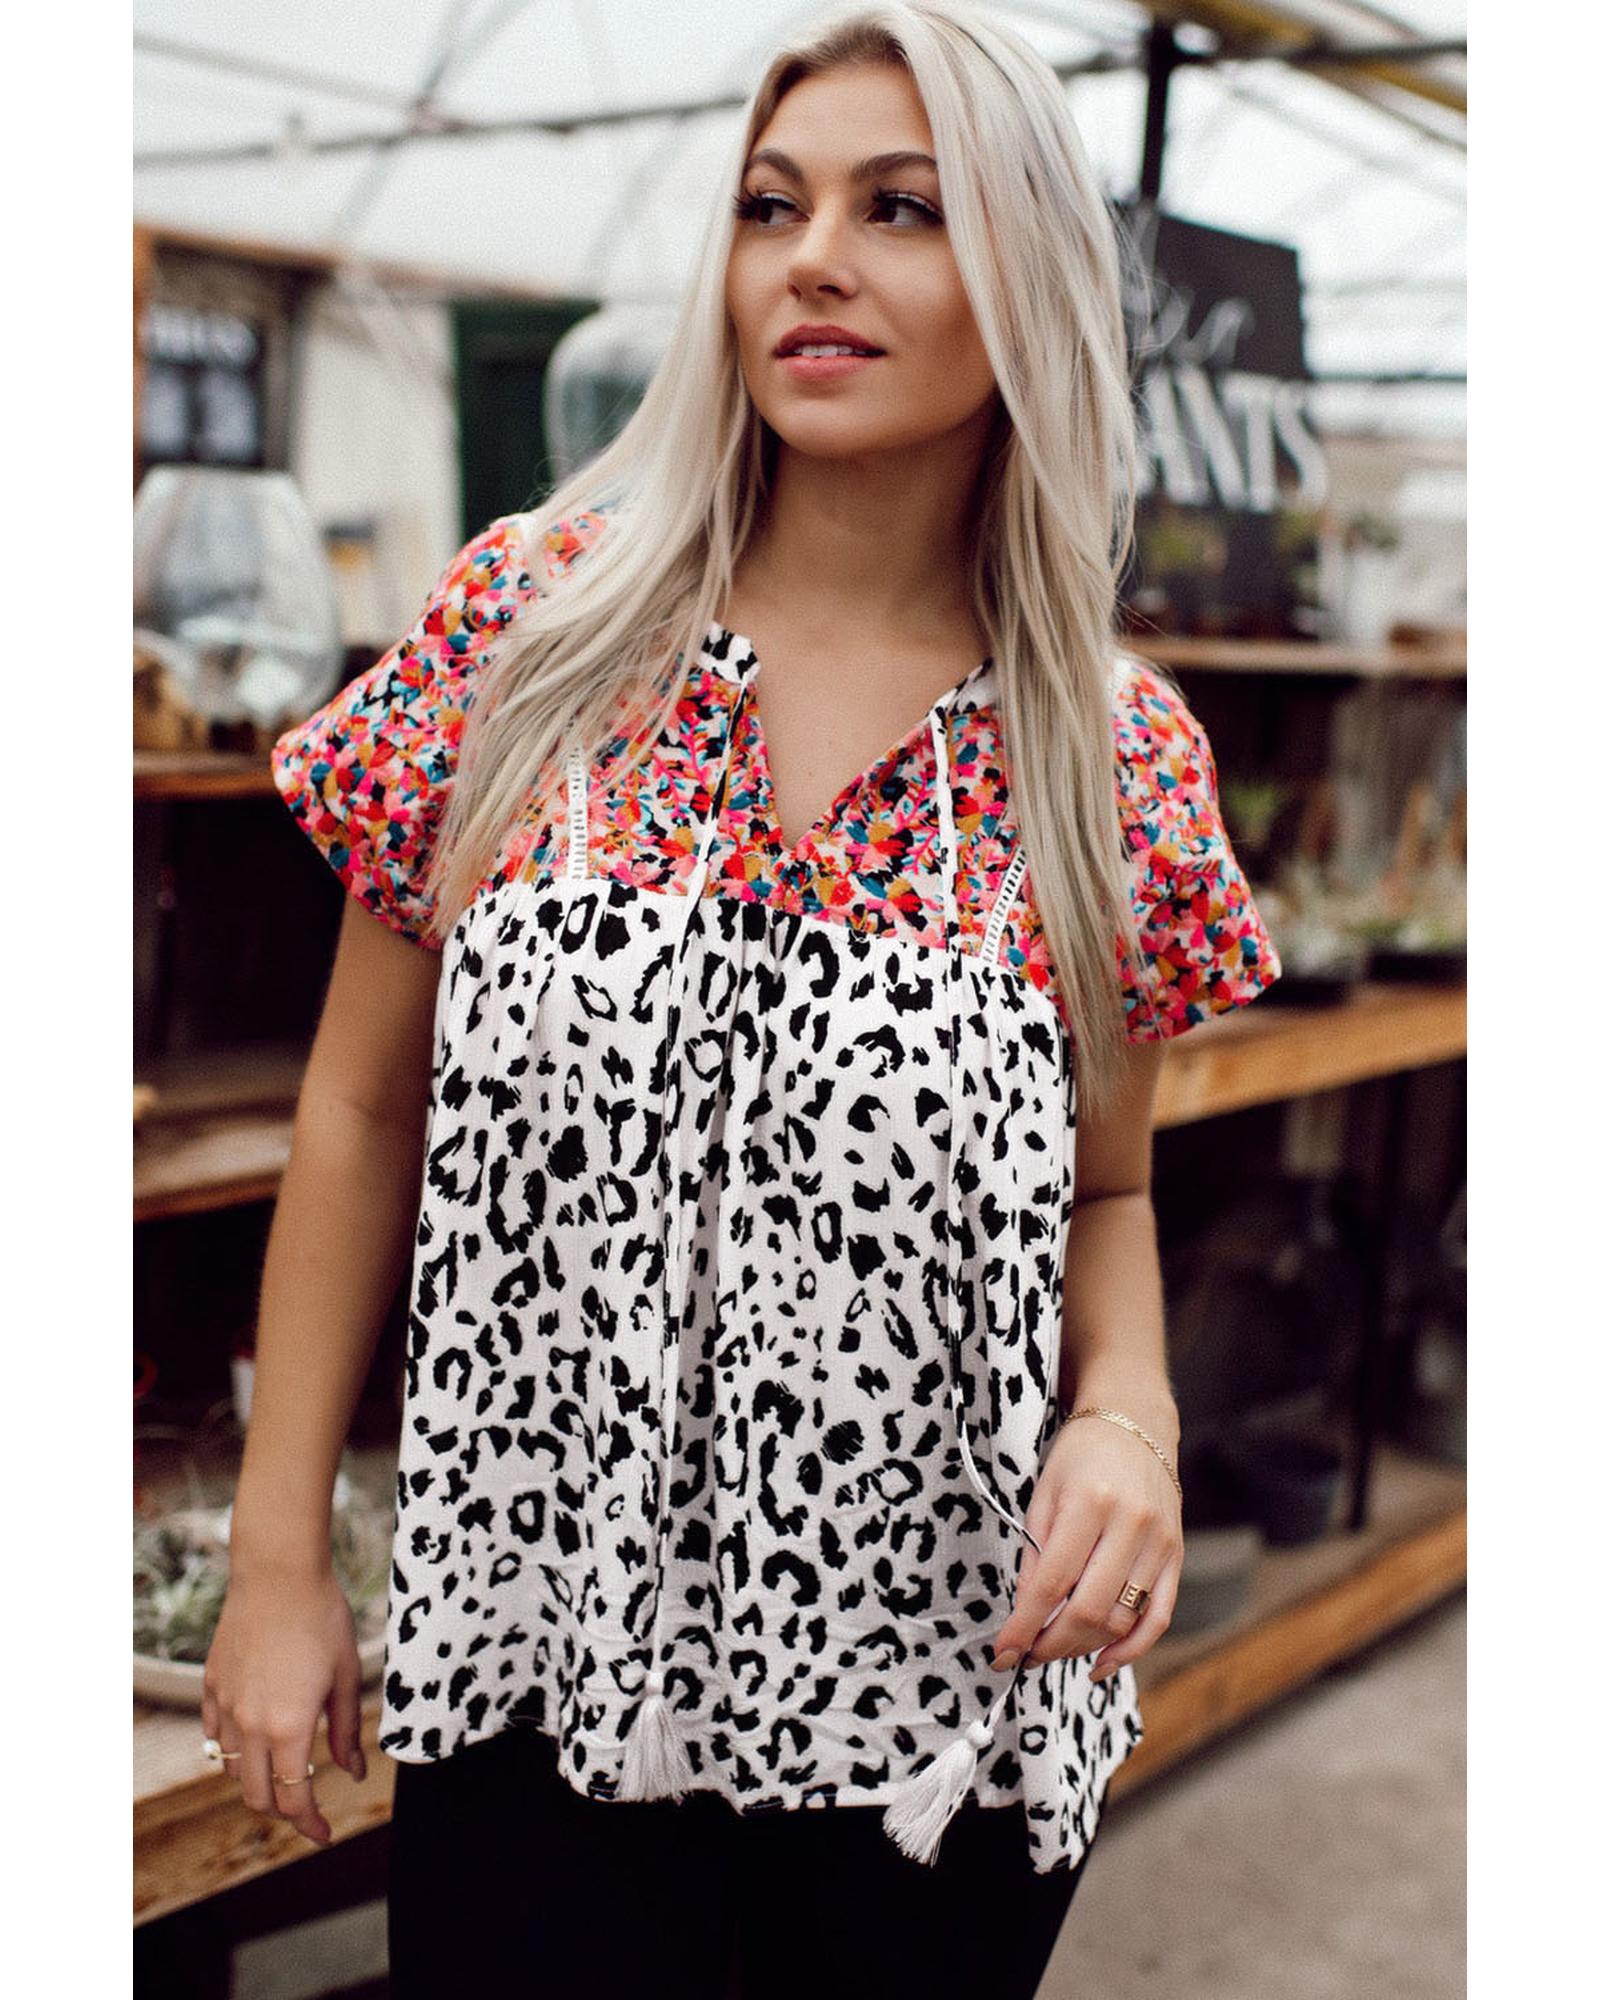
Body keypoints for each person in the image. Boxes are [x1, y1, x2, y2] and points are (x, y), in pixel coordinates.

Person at [202, 3, 1283, 1993]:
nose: (813, 260)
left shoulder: (1106, 756)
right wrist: (278, 1563)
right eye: (772, 207)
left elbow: (1110, 1191)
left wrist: (1128, 1423)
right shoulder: (527, 637)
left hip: (934, 1724)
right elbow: (359, 1110)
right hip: (537, 1675)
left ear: (1028, 280)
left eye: (901, 209)